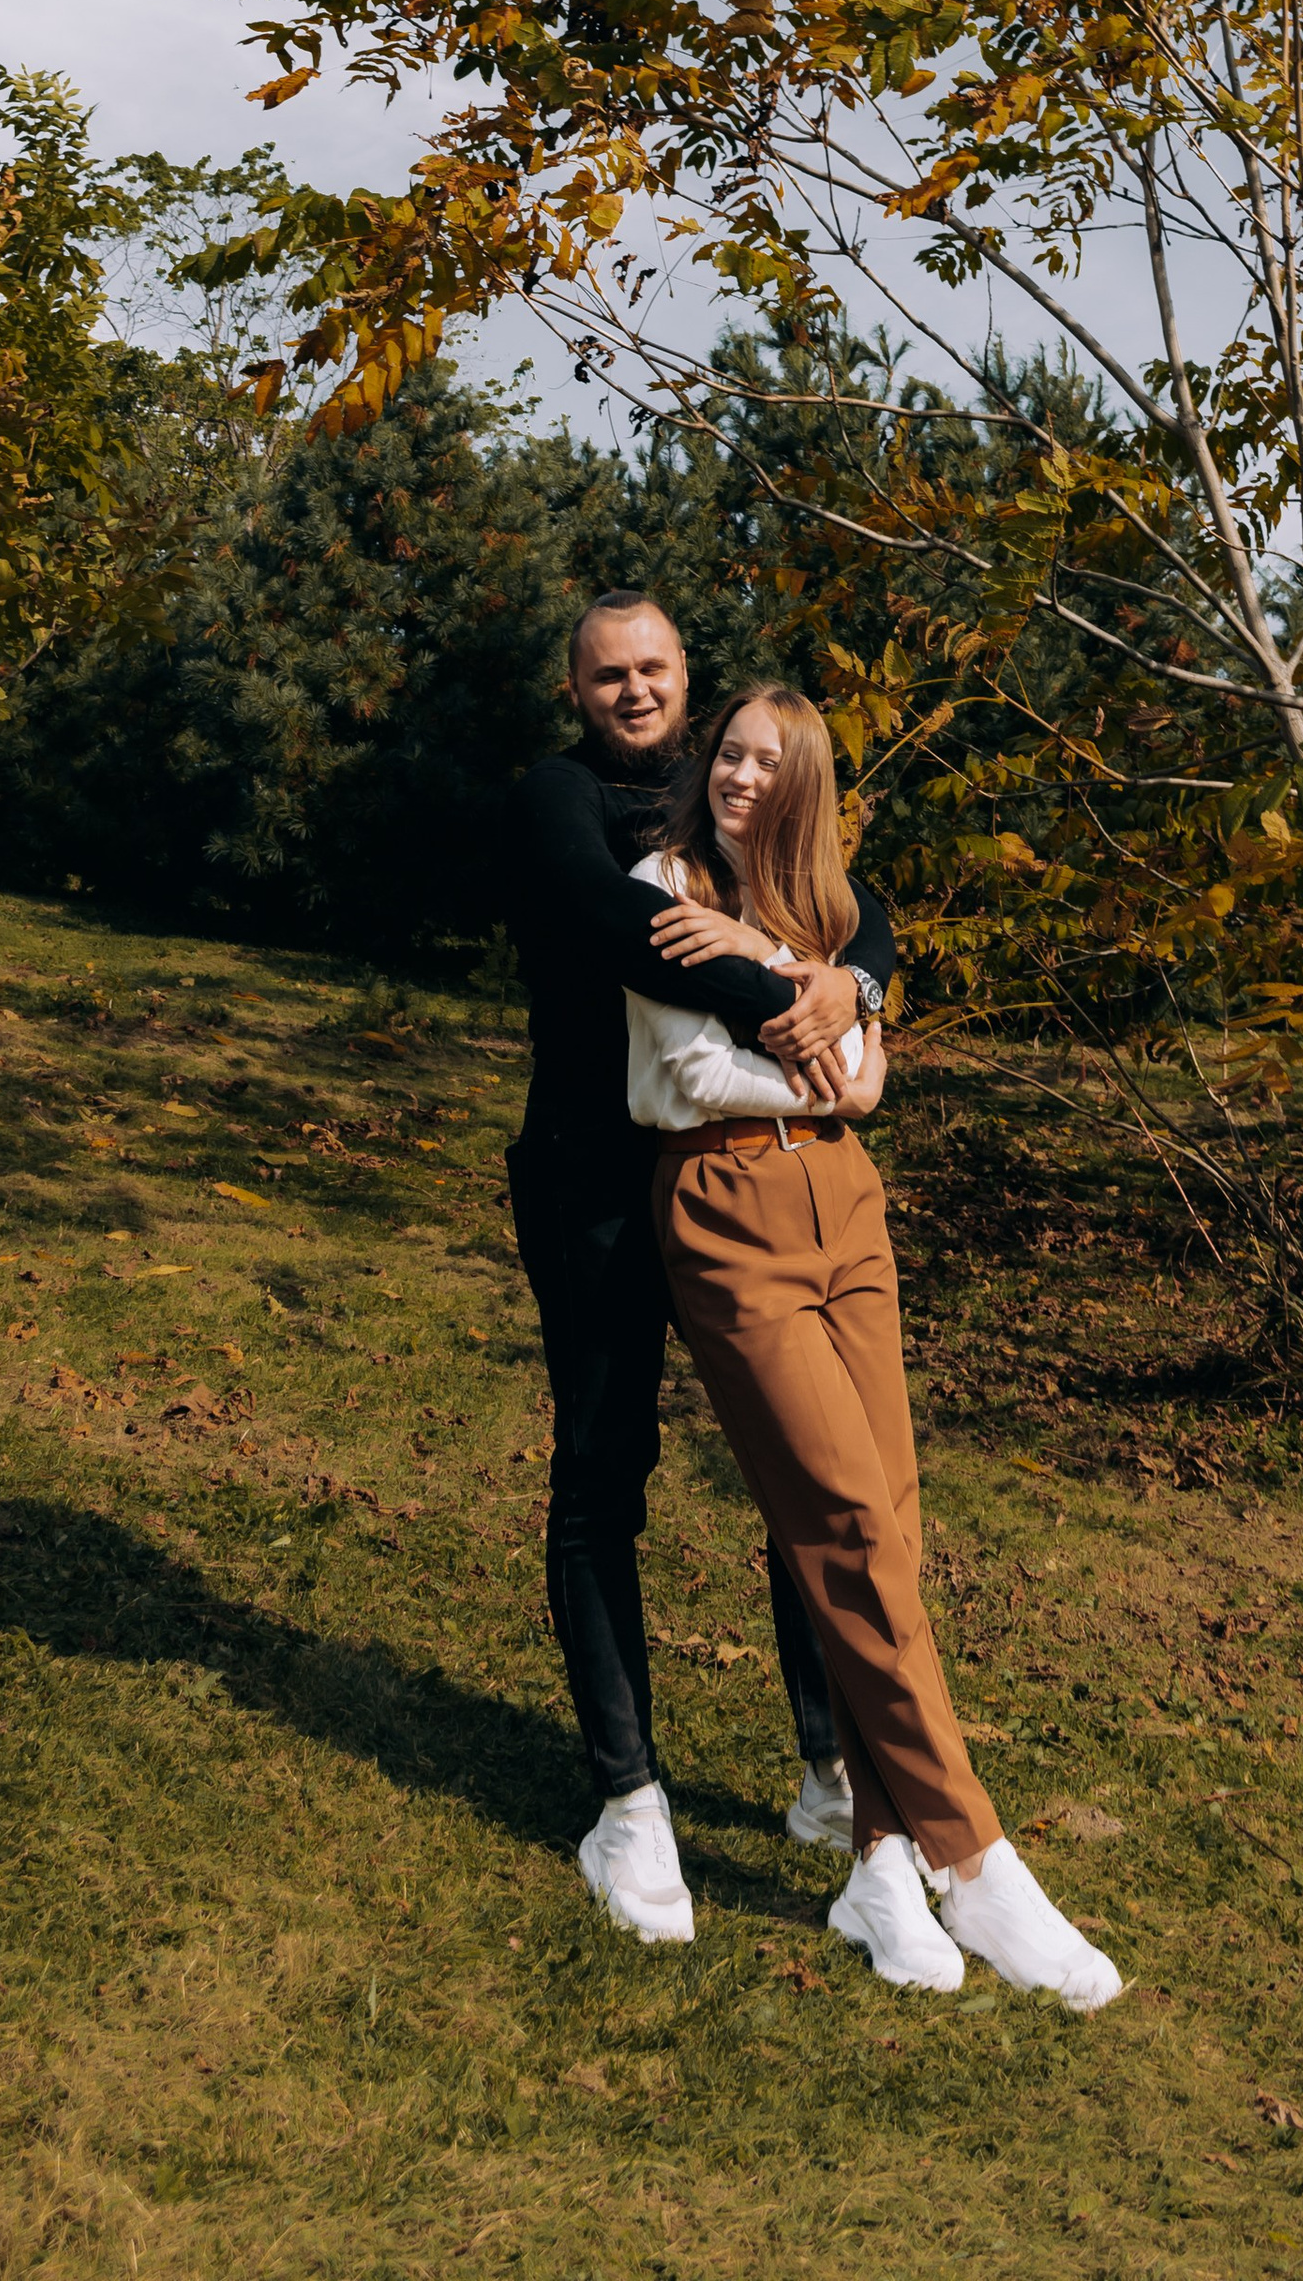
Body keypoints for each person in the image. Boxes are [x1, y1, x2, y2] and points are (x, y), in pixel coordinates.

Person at [627, 682, 1122, 2007]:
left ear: (804, 790)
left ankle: (882, 1860)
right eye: (725, 753)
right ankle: (976, 1855)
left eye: (765, 765)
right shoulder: (658, 886)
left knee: (888, 1524)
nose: (737, 777)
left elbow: (873, 1083)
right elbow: (684, 1075)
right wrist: (815, 1044)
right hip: (728, 1208)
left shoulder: (837, 915)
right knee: (840, 1519)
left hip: (847, 1205)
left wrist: (829, 1002)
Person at [499, 589, 900, 1945]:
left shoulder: (719, 787)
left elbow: (861, 903)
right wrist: (795, 997)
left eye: (653, 668)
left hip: (733, 1189)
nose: (633, 690)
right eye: (606, 673)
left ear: (686, 676)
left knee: (804, 1467)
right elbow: (619, 932)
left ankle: (827, 1773)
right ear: (578, 689)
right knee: (603, 1474)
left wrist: (865, 986)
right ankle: (629, 1803)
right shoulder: (555, 800)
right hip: (592, 1188)